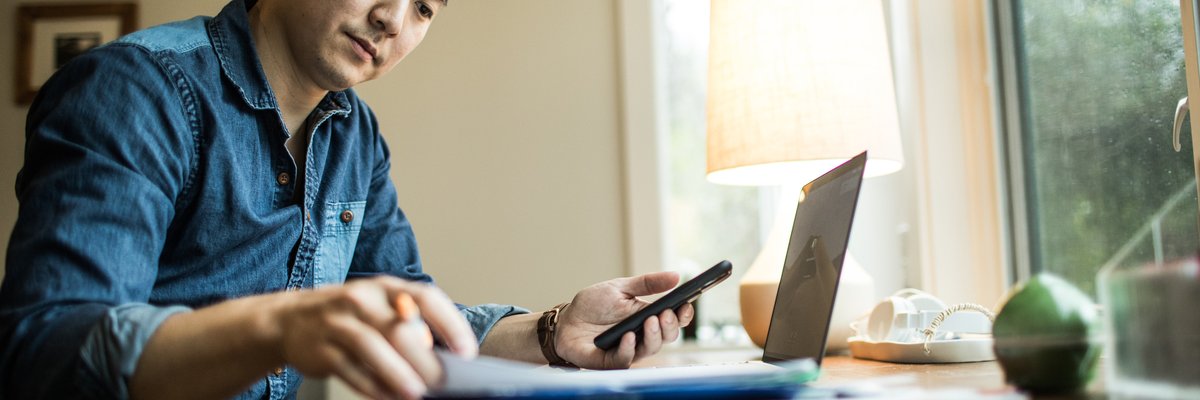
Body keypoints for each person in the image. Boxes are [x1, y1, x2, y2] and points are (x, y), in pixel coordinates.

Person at [0, 0, 695, 399]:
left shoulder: (354, 134)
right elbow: (47, 352)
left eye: (424, 7)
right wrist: (278, 327)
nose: (392, 17)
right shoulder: (135, 90)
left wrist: (556, 332)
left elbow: (411, 316)